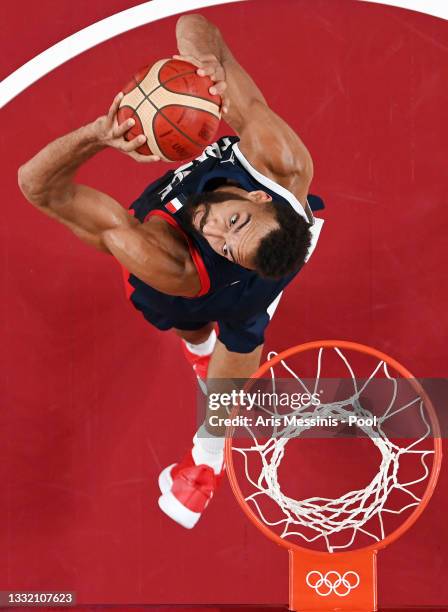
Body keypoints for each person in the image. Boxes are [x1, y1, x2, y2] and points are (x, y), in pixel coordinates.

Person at [18, 14, 324, 529]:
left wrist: (96, 135)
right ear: (256, 195)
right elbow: (197, 24)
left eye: (227, 244)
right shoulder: (281, 162)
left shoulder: (171, 262)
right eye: (233, 222)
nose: (214, 232)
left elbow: (39, 187)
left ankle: (205, 461)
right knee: (198, 331)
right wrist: (203, 65)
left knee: (224, 343)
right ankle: (201, 352)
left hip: (212, 284)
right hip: (275, 247)